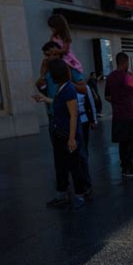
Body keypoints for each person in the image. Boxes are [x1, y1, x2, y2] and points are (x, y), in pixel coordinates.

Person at [33, 59, 88, 210]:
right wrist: (44, 98)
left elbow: (73, 115)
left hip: (66, 135)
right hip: (61, 133)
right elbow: (58, 103)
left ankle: (79, 195)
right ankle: (62, 194)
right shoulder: (62, 88)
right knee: (61, 166)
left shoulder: (68, 89)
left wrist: (71, 138)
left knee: (73, 166)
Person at [105, 51, 133, 178]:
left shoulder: (110, 76)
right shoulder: (127, 76)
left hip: (117, 115)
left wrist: (117, 101)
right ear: (125, 62)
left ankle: (124, 167)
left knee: (122, 143)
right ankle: (129, 168)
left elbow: (107, 96)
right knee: (130, 142)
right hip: (128, 114)